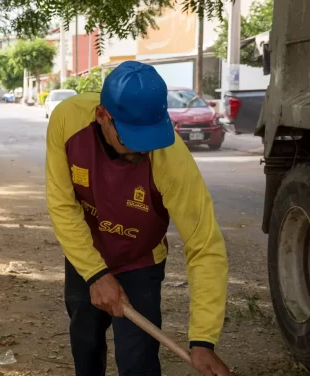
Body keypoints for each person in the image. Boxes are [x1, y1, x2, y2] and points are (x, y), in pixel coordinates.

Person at [45, 61, 232, 376]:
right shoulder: (67, 120)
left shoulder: (171, 159)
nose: (145, 149)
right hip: (85, 254)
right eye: (133, 138)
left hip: (140, 261)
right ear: (103, 116)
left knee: (138, 362)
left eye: (151, 137)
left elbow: (204, 245)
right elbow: (62, 204)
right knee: (86, 344)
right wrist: (94, 274)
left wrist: (203, 340)